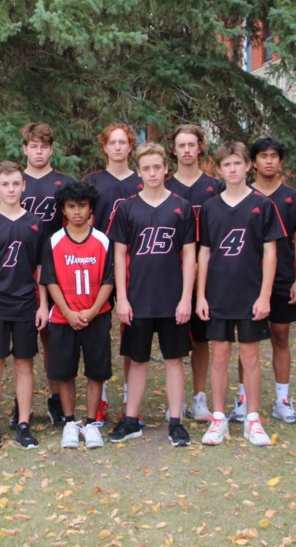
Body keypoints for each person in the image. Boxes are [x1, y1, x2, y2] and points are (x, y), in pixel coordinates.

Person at [196, 141, 285, 447]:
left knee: (250, 356)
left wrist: (265, 295)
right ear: (218, 169)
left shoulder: (262, 205)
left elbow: (271, 254)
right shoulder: (210, 207)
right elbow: (204, 253)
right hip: (218, 293)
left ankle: (252, 418)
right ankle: (219, 418)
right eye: (226, 165)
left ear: (249, 166)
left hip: (250, 294)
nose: (232, 169)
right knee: (219, 355)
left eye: (237, 163)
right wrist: (200, 296)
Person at [107, 142, 195, 447]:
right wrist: (123, 298)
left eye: (157, 167)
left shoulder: (181, 207)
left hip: (172, 299)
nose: (152, 172)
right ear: (139, 172)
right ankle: (131, 419)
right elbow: (118, 256)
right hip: (138, 298)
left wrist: (186, 298)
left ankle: (175, 422)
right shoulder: (127, 208)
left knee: (174, 359)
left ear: (166, 169)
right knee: (138, 360)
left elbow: (190, 256)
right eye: (146, 168)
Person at [0, 161, 49, 452]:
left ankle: (24, 424)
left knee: (24, 364)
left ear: (23, 185)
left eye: (16, 183)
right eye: (5, 184)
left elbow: (42, 267)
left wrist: (43, 304)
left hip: (26, 303)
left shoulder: (35, 222)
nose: (11, 189)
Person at [40, 181, 114, 449]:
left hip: (97, 316)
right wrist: (68, 312)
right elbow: (50, 280)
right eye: (71, 206)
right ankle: (70, 422)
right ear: (63, 209)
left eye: (82, 205)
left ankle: (92, 422)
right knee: (65, 372)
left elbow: (109, 279)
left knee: (96, 371)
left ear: (91, 207)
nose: (77, 211)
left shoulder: (104, 240)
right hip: (64, 318)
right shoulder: (54, 241)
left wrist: (93, 311)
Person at [83, 122, 142, 424]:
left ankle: (132, 400)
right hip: (100, 263)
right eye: (112, 142)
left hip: (136, 264)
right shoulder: (93, 181)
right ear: (104, 147)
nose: (118, 147)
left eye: (123, 142)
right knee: (99, 332)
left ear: (131, 146)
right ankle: (101, 397)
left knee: (131, 332)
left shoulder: (142, 180)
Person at [247, 137, 296, 424]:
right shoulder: (241, 194)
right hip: (248, 279)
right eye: (263, 156)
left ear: (280, 161)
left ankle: (282, 400)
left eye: (274, 156)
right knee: (248, 341)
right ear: (254, 162)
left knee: (280, 337)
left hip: (283, 277)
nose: (268, 160)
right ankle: (244, 400)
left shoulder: (292, 198)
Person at [164, 124, 222, 423]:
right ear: (173, 150)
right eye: (181, 145)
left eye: (191, 144)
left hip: (206, 274)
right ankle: (173, 400)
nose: (186, 150)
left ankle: (199, 397)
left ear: (200, 147)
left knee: (201, 339)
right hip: (169, 273)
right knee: (171, 341)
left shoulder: (215, 187)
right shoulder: (164, 185)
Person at [20, 122, 76, 427]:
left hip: (59, 268)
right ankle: (21, 403)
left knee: (54, 338)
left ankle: (57, 399)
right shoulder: (17, 181)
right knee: (24, 338)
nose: (38, 151)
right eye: (33, 146)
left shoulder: (63, 183)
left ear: (51, 150)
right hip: (22, 270)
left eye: (44, 146)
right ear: (25, 149)